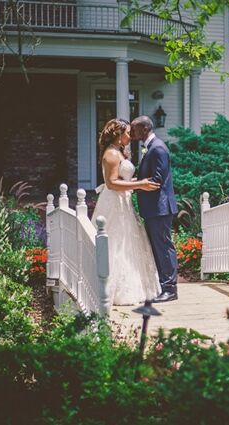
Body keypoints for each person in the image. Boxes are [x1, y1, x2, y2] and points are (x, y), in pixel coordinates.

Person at [91, 118, 161, 305]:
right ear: (118, 134)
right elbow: (112, 183)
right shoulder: (111, 155)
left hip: (124, 202)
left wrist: (138, 181)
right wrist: (140, 184)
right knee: (116, 242)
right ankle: (112, 289)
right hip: (114, 202)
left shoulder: (118, 152)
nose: (131, 137)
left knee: (127, 242)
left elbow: (123, 178)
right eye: (128, 133)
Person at [131, 116, 179, 303]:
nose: (132, 133)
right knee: (159, 247)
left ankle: (170, 289)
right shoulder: (151, 147)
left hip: (160, 208)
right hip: (154, 208)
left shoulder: (157, 148)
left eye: (134, 129)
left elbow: (157, 181)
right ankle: (164, 285)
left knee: (164, 247)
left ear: (144, 128)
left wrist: (131, 185)